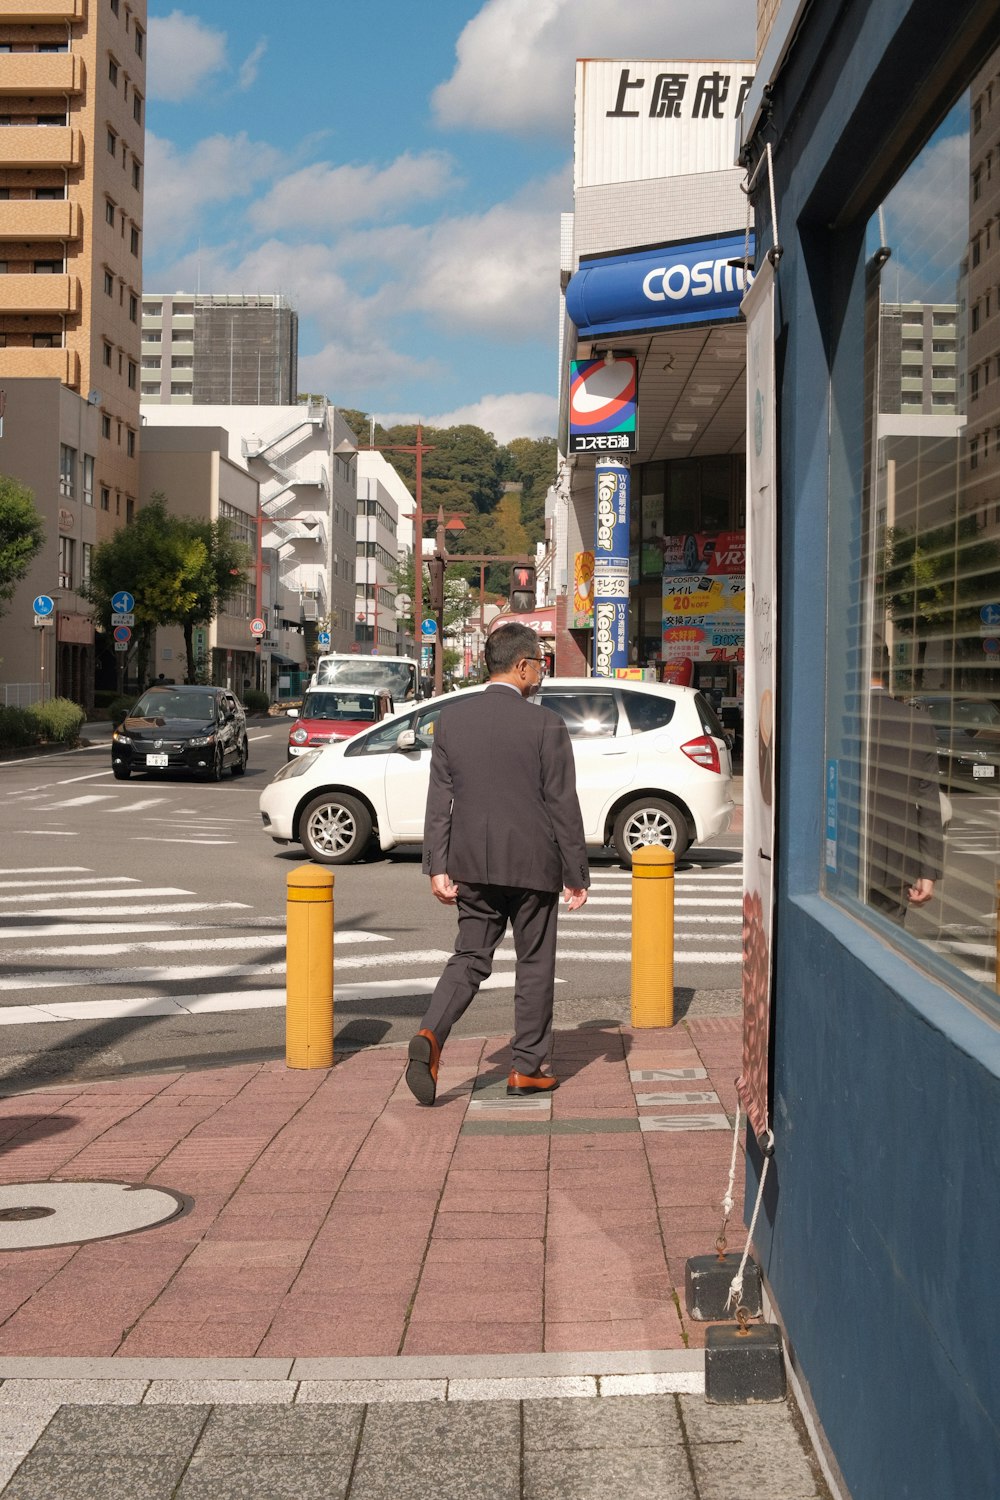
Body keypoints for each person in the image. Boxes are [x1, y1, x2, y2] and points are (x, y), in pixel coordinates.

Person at [405, 622, 590, 1106]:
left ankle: (430, 1034)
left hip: (471, 864)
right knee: (533, 964)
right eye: (539, 664)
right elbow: (562, 805)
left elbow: (438, 800)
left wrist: (437, 865)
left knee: (469, 958)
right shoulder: (546, 725)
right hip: (534, 866)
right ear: (523, 666)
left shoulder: (452, 720)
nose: (541, 673)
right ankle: (526, 1070)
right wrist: (577, 875)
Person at [866, 660, 944, 924]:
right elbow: (928, 802)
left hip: (837, 857)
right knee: (884, 948)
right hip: (894, 860)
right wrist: (928, 871)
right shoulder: (917, 721)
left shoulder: (836, 719)